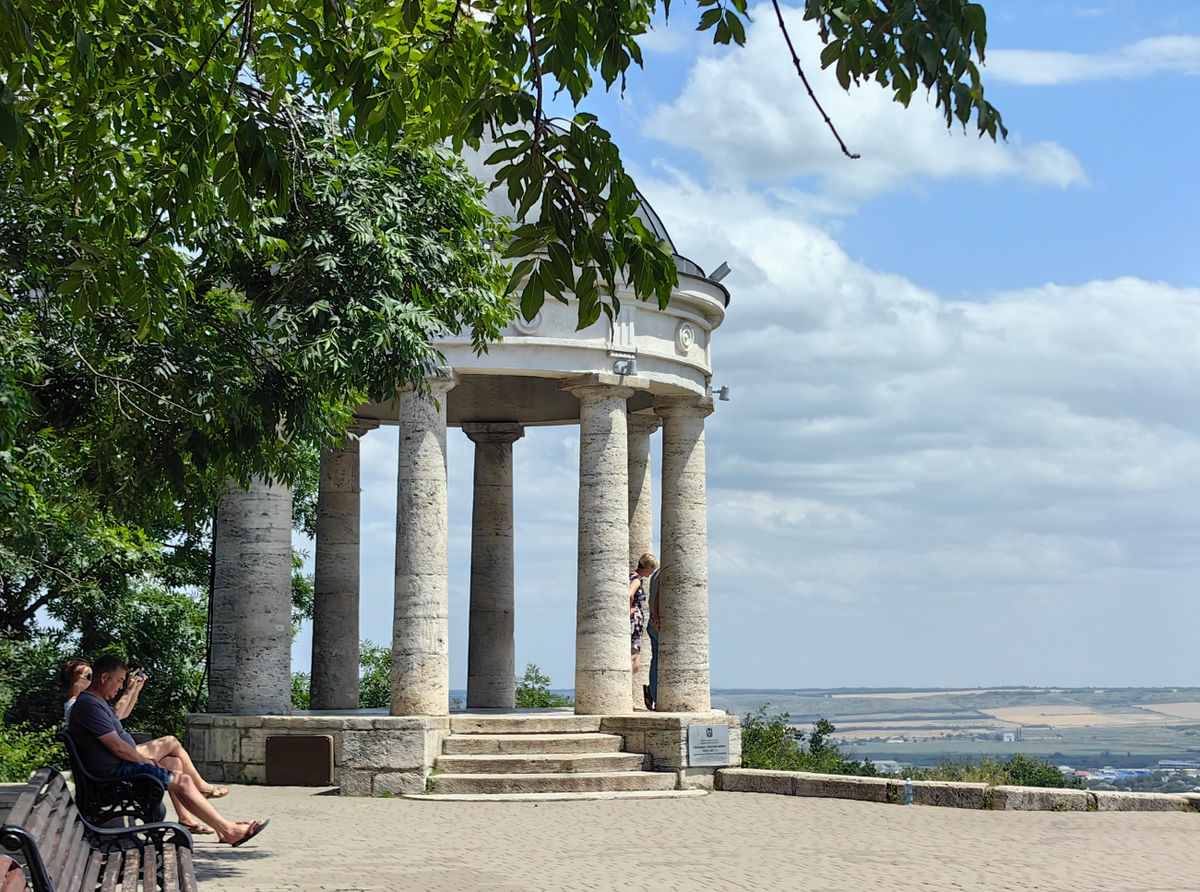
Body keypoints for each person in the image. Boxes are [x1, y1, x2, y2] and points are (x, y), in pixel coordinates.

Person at [68, 654, 267, 846]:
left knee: (175, 767)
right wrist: (143, 760)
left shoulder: (95, 703)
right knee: (184, 781)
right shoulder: (89, 705)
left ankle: (211, 825)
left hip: (117, 770)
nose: (121, 686)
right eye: (119, 681)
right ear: (104, 677)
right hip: (113, 777)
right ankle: (228, 830)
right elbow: (117, 747)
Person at [61, 658, 146, 724]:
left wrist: (136, 690)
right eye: (89, 676)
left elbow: (123, 714)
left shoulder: (87, 703)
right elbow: (114, 717)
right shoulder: (75, 706)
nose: (92, 680)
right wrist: (130, 690)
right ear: (73, 680)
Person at [629, 553, 658, 706]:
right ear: (647, 568)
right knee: (633, 661)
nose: (652, 572)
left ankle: (629, 697)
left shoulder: (630, 576)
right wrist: (630, 609)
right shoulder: (637, 580)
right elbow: (629, 594)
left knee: (635, 661)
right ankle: (627, 697)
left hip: (635, 621)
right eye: (652, 569)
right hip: (634, 622)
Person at [644, 565, 661, 711]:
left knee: (655, 660)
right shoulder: (666, 573)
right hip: (658, 622)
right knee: (658, 660)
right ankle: (656, 697)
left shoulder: (655, 574)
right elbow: (657, 596)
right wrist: (657, 617)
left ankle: (655, 696)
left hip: (651, 622)